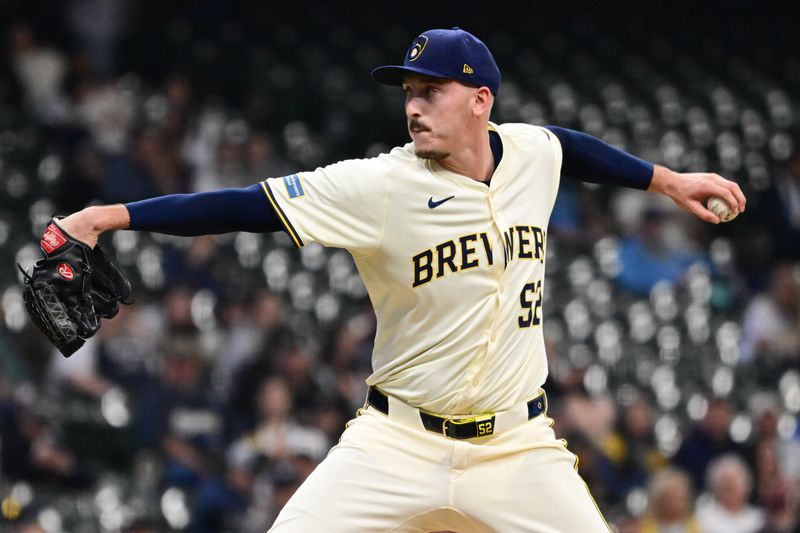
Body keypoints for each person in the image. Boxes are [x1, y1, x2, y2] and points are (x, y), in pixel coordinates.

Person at [53, 28, 746, 532]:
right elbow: (244, 204)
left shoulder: (530, 152)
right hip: (397, 442)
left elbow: (572, 148)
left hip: (517, 447)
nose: (413, 107)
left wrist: (667, 180)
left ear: (481, 100)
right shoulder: (380, 184)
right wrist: (113, 215)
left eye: (430, 92)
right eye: (408, 93)